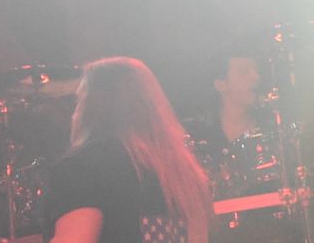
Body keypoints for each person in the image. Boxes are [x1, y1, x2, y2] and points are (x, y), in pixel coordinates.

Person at [45, 57, 212, 243]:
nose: (74, 114)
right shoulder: (182, 171)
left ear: (93, 107)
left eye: (79, 101)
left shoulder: (82, 167)